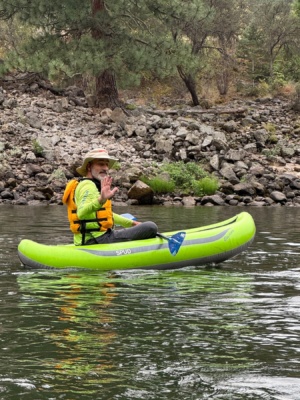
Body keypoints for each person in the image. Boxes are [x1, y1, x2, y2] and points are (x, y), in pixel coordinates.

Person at [62, 148, 158, 246]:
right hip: (97, 240)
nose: (106, 168)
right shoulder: (88, 186)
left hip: (91, 239)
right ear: (89, 166)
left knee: (144, 227)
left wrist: (132, 224)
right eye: (101, 164)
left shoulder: (91, 184)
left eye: (106, 164)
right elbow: (81, 213)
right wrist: (101, 200)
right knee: (150, 227)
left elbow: (107, 214)